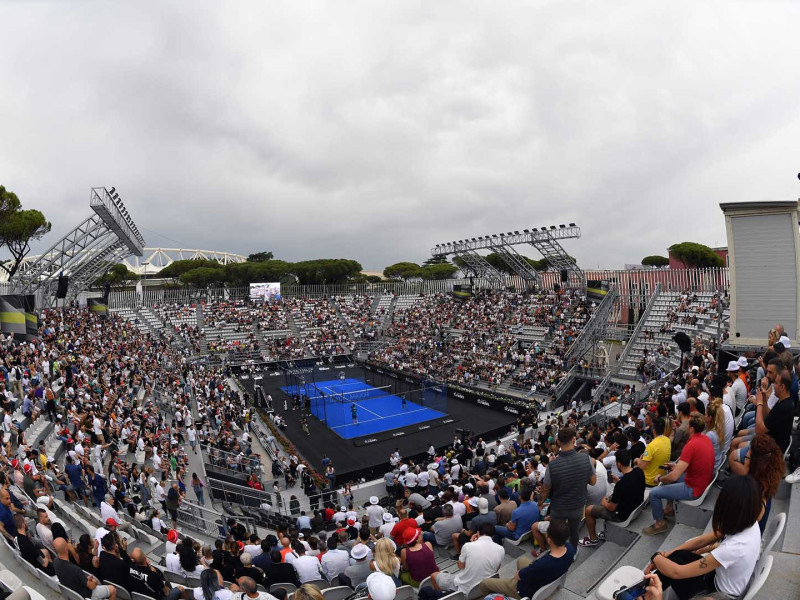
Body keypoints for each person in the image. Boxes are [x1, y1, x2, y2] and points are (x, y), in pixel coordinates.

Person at [645, 475, 763, 599]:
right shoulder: (748, 521)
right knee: (677, 556)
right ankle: (645, 591)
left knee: (670, 568)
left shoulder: (733, 548)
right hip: (720, 578)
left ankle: (645, 593)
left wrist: (656, 557)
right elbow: (702, 540)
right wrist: (667, 554)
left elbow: (677, 572)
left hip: (717, 594)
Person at [643, 415, 715, 536]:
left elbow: (673, 477)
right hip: (700, 480)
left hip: (693, 488)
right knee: (669, 475)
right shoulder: (705, 439)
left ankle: (659, 524)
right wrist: (676, 467)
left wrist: (659, 478)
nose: (685, 426)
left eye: (687, 424)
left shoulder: (691, 446)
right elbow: (693, 464)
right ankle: (669, 509)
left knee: (654, 492)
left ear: (691, 429)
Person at [475, 519, 574, 599]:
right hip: (546, 577)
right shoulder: (570, 549)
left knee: (484, 583)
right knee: (521, 560)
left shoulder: (542, 564)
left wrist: (520, 576)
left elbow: (518, 576)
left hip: (524, 590)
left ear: (549, 539)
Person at [538, 427, 596, 548]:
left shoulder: (552, 465)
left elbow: (545, 489)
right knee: (574, 530)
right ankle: (573, 552)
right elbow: (593, 482)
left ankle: (557, 552)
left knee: (556, 532)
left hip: (558, 508)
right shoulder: (586, 459)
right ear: (574, 440)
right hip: (577, 505)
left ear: (558, 442)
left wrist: (540, 503)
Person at [580, 448, 646, 546]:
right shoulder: (639, 472)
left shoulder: (621, 485)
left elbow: (611, 507)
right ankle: (605, 532)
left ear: (619, 464)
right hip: (635, 506)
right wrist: (618, 481)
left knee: (589, 510)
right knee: (609, 498)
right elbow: (629, 484)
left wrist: (604, 502)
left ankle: (593, 540)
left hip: (621, 515)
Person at [431, 522, 505, 595]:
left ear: (478, 533)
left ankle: (442, 595)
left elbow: (460, 566)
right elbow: (496, 569)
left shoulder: (468, 546)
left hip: (464, 588)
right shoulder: (501, 549)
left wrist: (471, 543)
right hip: (484, 587)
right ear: (493, 536)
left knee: (434, 575)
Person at [635, 417, 671, 487]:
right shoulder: (667, 440)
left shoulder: (651, 446)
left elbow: (642, 466)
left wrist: (636, 460)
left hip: (649, 481)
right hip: (660, 477)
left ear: (653, 430)